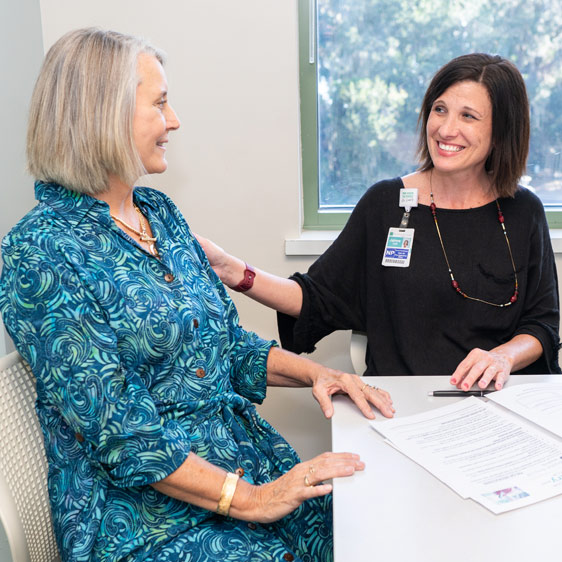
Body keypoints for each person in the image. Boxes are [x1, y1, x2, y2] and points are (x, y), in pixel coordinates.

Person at [0, 28, 395, 562]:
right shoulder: (38, 251)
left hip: (237, 464)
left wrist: (319, 374)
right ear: (102, 114)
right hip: (143, 518)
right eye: (160, 103)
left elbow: (226, 348)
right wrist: (253, 500)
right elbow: (122, 432)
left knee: (370, 528)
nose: (175, 120)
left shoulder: (159, 214)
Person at [199, 53, 561, 391]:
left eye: (468, 116)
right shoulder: (385, 204)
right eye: (439, 110)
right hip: (401, 403)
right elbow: (317, 299)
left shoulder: (522, 210)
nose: (446, 129)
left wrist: (503, 356)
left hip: (501, 400)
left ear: (501, 132)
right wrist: (234, 271)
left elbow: (542, 323)